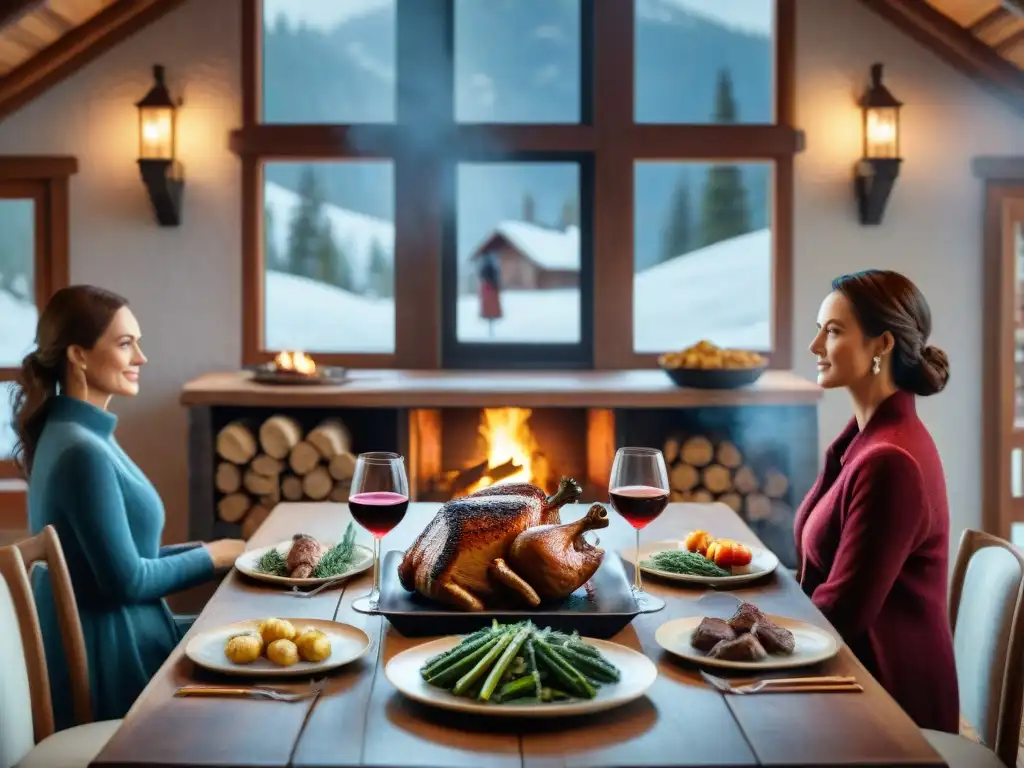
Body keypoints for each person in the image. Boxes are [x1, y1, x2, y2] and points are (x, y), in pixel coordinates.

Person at [10, 285, 246, 729]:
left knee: (255, 630)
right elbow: (126, 580)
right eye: (125, 344)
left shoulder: (77, 433)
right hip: (117, 662)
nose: (141, 357)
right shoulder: (82, 451)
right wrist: (213, 556)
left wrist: (215, 552)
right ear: (78, 355)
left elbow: (120, 558)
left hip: (131, 634)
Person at [795, 269, 959, 733]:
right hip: (850, 676)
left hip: (888, 707)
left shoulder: (891, 461)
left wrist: (748, 630)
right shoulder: (867, 440)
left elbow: (843, 613)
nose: (815, 347)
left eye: (833, 331)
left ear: (881, 345)